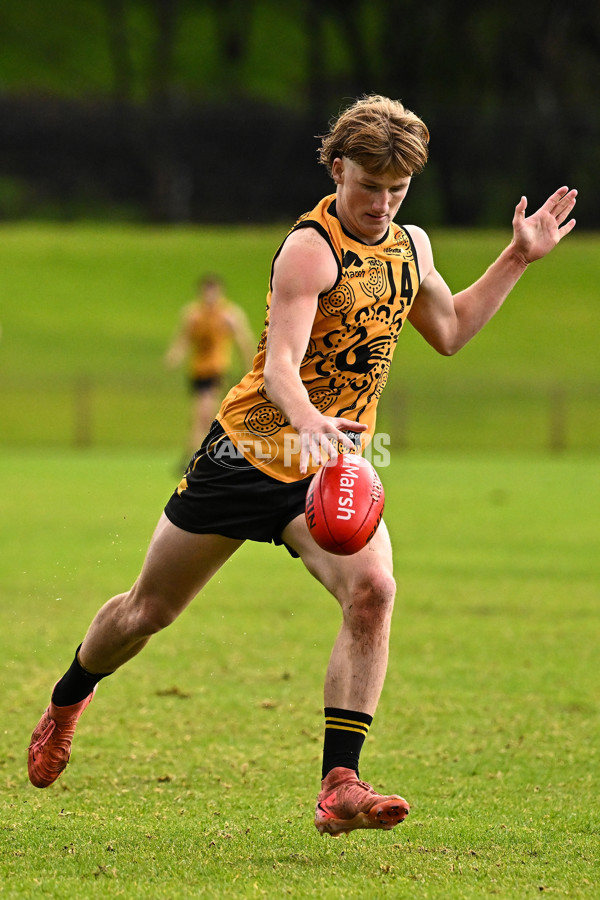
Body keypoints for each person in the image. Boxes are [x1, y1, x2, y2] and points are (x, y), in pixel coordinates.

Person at [28, 95, 577, 836]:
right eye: (369, 185)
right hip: (248, 455)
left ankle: (340, 784)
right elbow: (282, 365)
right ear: (337, 166)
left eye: (397, 190)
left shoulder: (411, 248)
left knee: (374, 590)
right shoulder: (310, 249)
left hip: (327, 471)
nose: (382, 203)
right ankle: (67, 701)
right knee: (146, 612)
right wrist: (311, 419)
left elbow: (450, 331)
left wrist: (517, 256)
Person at [164, 273, 255, 457]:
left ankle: (197, 455)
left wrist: (250, 366)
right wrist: (174, 356)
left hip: (217, 369)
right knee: (200, 415)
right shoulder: (193, 314)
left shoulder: (229, 315)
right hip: (197, 370)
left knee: (204, 413)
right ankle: (196, 453)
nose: (210, 297)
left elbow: (243, 341)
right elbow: (184, 339)